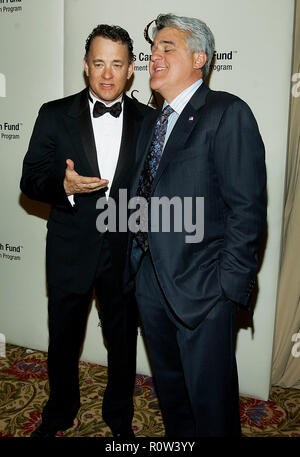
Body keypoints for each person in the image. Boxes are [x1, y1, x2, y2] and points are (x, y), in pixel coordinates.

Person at [127, 13, 267, 437]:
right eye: (153, 51)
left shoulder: (227, 113)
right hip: (151, 282)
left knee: (211, 407)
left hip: (205, 290)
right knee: (171, 396)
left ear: (200, 58)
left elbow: (247, 210)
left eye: (168, 48)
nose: (155, 57)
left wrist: (228, 288)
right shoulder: (153, 122)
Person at [20, 24, 150, 438]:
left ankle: (119, 416)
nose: (107, 74)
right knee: (62, 339)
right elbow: (30, 179)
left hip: (126, 252)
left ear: (131, 69)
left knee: (123, 342)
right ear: (85, 66)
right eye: (99, 63)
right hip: (70, 249)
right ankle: (59, 411)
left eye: (117, 64)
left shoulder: (151, 121)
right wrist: (63, 186)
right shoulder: (54, 114)